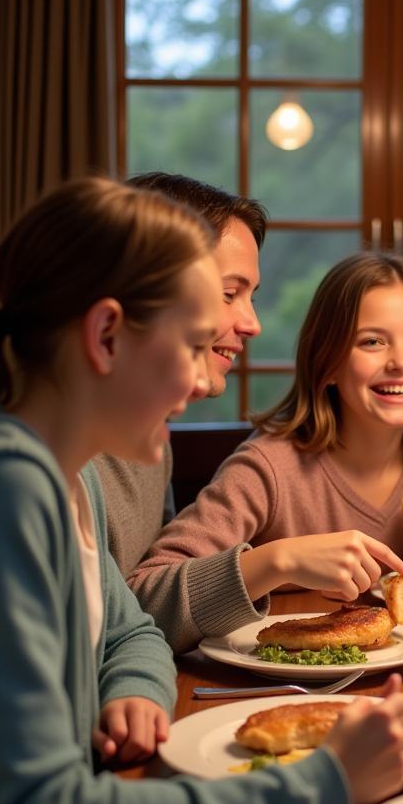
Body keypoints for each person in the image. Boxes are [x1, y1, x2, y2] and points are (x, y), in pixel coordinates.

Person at [0, 178, 403, 804]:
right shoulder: (11, 490)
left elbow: (131, 631)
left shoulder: (67, 481)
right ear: (107, 336)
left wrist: (129, 688)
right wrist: (322, 785)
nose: (196, 378)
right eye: (189, 343)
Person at [134, 251, 403, 652]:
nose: (402, 362)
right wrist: (278, 560)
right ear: (328, 362)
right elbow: (146, 602)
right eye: (372, 342)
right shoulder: (269, 469)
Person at [92, 172, 267, 577]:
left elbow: (131, 620)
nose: (252, 324)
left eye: (251, 297)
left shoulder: (153, 435)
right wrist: (272, 563)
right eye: (228, 294)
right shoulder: (60, 460)